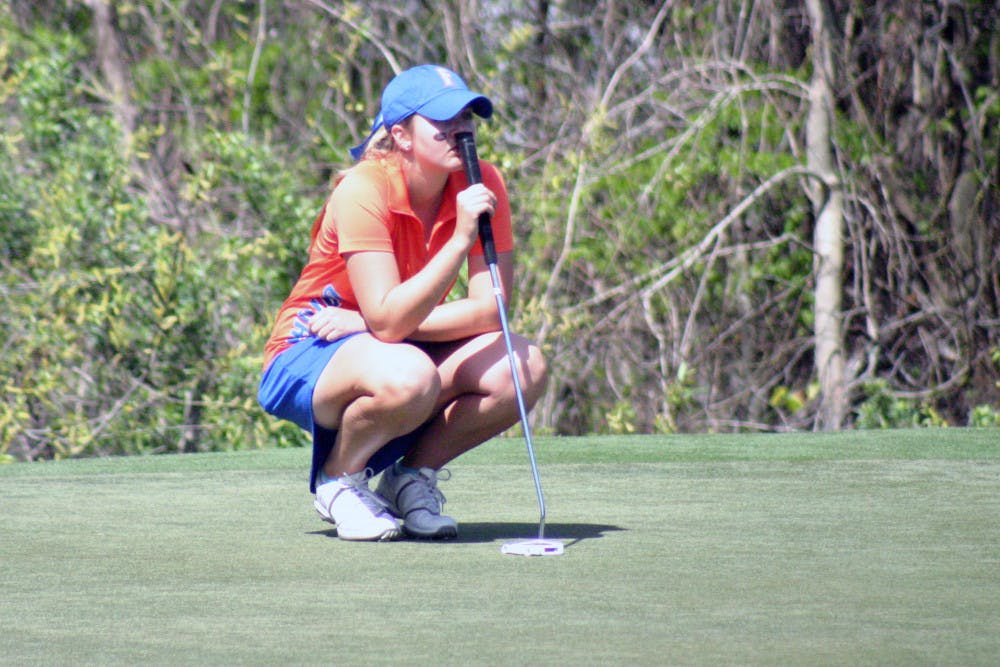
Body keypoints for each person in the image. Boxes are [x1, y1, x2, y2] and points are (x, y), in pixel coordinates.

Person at [258, 64, 547, 542]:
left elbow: (489, 310)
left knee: (523, 365)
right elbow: (389, 321)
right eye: (443, 123)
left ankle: (410, 478)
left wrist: (368, 324)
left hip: (377, 338)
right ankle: (338, 480)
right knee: (412, 375)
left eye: (467, 120)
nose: (461, 132)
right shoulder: (363, 189)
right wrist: (457, 242)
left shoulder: (483, 183)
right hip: (310, 344)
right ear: (402, 135)